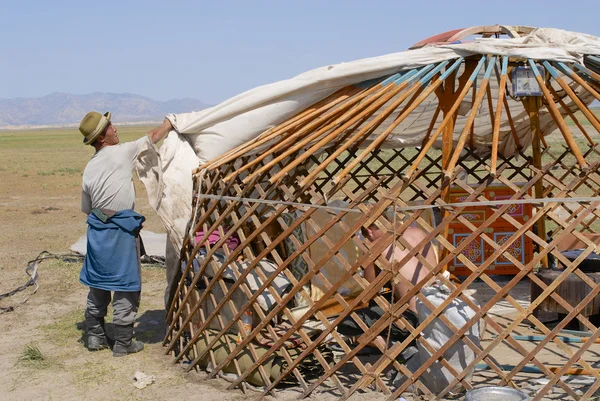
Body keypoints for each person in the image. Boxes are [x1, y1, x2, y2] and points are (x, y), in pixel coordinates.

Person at [78, 111, 173, 356]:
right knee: (125, 283)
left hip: (97, 231)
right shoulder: (120, 152)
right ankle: (123, 342)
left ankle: (95, 336)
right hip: (120, 230)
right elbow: (152, 137)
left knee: (98, 281)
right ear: (102, 137)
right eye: (110, 126)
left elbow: (86, 209)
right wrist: (169, 123)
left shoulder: (89, 167)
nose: (116, 128)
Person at [337, 220, 437, 354]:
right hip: (439, 307)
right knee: (387, 293)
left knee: (346, 323)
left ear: (369, 231)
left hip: (414, 319)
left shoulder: (375, 247)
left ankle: (393, 346)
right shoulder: (418, 232)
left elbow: (369, 291)